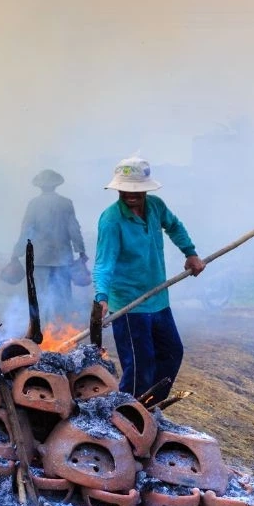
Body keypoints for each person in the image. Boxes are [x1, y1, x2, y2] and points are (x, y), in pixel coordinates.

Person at [92, 156, 205, 403]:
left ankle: (150, 408)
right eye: (126, 189)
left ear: (145, 188)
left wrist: (191, 253)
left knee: (172, 353)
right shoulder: (112, 220)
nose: (131, 195)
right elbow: (104, 263)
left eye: (136, 190)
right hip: (129, 305)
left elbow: (174, 226)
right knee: (139, 367)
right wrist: (101, 297)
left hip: (158, 299)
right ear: (118, 188)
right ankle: (126, 416)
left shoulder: (156, 207)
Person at [10, 169, 87, 322]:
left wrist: (16, 253)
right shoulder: (66, 203)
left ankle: (42, 328)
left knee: (40, 295)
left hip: (39, 259)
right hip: (62, 258)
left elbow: (26, 231)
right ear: (56, 185)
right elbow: (74, 229)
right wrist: (81, 251)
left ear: (40, 186)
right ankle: (62, 327)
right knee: (63, 295)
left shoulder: (34, 204)